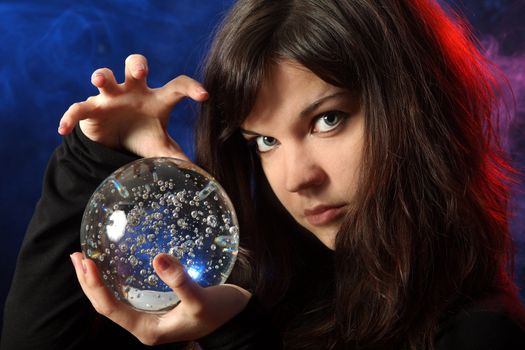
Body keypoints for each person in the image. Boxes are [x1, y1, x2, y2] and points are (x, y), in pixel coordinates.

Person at [2, 0, 525, 349]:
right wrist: (93, 156)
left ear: (416, 109)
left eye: (328, 120)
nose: (297, 178)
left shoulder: (477, 333)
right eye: (265, 141)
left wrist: (233, 336)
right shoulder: (283, 292)